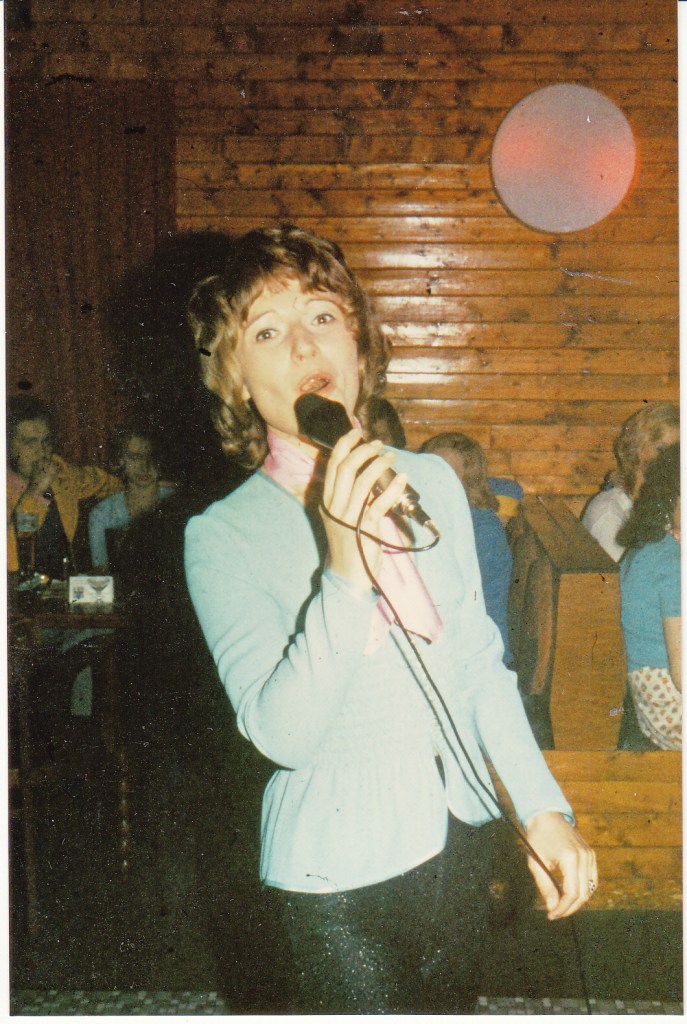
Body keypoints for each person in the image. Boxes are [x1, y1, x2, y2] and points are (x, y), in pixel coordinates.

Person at [183, 225, 597, 1014]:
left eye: (322, 316)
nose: (304, 344)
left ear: (359, 346)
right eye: (266, 332)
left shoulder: (429, 481)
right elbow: (282, 736)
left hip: (458, 840)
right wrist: (343, 570)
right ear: (234, 380)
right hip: (334, 878)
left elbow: (475, 662)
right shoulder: (221, 535)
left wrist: (541, 808)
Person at [420, 431, 518, 666]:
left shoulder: (481, 529)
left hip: (482, 656)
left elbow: (468, 611)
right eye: (431, 468)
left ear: (469, 482)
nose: (435, 479)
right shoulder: (439, 515)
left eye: (447, 473)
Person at [7, 394, 122, 578]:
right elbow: (12, 558)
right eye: (30, 442)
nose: (42, 452)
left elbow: (107, 482)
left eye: (46, 441)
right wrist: (36, 492)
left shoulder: (61, 473)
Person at [616, 443, 681, 751]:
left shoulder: (653, 547)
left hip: (651, 703)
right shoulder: (673, 564)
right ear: (670, 500)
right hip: (672, 706)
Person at [582, 402, 679, 562]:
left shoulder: (667, 505)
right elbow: (623, 575)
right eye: (662, 449)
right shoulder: (607, 512)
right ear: (636, 448)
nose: (670, 460)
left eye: (676, 451)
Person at [88, 423, 175, 571]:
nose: (145, 466)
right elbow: (102, 574)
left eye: (151, 457)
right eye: (135, 457)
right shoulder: (102, 515)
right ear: (120, 460)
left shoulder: (176, 503)